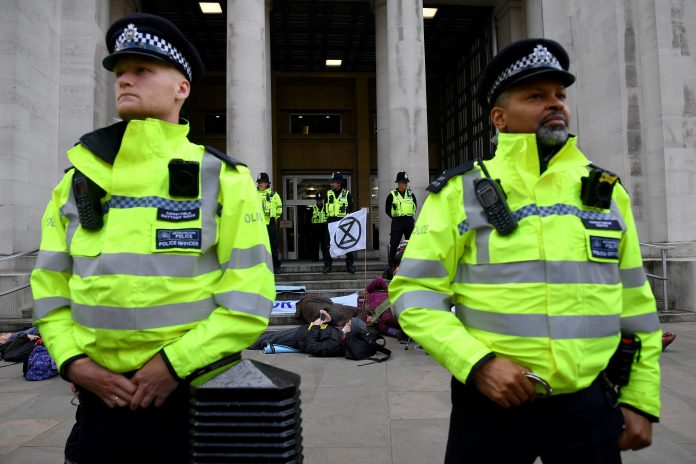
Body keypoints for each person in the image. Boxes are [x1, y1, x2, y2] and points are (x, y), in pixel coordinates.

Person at [389, 38, 662, 463]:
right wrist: (477, 364)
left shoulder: (605, 192)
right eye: (536, 95)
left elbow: (637, 306)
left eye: (560, 95)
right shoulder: (458, 193)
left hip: (588, 405)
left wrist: (641, 397)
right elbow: (414, 294)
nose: (555, 104)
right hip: (490, 406)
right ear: (499, 117)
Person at [30, 13, 275, 464]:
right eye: (120, 73)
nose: (125, 81)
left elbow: (250, 297)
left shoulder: (223, 179)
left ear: (181, 87)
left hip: (193, 403)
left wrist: (172, 366)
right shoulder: (77, 181)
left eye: (142, 70)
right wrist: (73, 363)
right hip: (99, 405)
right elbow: (49, 286)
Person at [250, 310, 366, 358]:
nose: (347, 323)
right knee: (268, 337)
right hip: (303, 331)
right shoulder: (342, 335)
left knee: (266, 339)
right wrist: (329, 320)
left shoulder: (336, 344)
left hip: (298, 338)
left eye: (349, 324)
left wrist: (315, 326)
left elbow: (312, 347)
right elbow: (331, 332)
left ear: (352, 330)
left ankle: (243, 344)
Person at [385, 171, 417, 277]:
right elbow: (387, 210)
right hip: (397, 221)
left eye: (406, 182)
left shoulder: (411, 194)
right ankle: (392, 266)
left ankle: (410, 265)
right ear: (398, 183)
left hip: (409, 221)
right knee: (394, 244)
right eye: (403, 182)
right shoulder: (392, 195)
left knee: (411, 244)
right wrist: (395, 217)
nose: (405, 184)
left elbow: (415, 207)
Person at [325, 171, 355, 273]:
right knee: (329, 244)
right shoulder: (328, 194)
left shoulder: (347, 194)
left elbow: (351, 209)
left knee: (347, 244)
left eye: (333, 182)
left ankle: (349, 265)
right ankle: (328, 266)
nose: (331, 184)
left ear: (339, 183)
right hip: (331, 221)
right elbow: (325, 209)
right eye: (331, 182)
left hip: (343, 221)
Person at [256, 172, 283, 273]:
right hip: (258, 223)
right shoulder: (254, 194)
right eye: (258, 182)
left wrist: (273, 219)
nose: (259, 184)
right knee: (259, 245)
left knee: (273, 245)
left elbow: (279, 208)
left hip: (270, 223)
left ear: (266, 184)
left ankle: (276, 266)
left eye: (261, 182)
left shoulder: (274, 194)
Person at [311, 191, 331, 271]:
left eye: (320, 200)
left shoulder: (326, 208)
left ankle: (325, 258)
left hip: (324, 227)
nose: (319, 201)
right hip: (315, 228)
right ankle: (315, 258)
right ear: (316, 201)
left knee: (324, 245)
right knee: (315, 244)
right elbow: (308, 220)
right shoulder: (312, 208)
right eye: (318, 200)